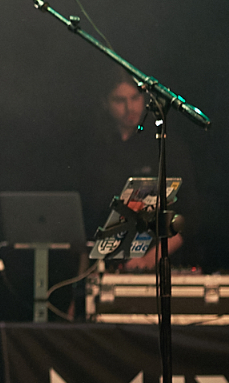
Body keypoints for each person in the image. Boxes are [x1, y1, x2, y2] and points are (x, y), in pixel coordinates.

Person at [75, 73, 196, 271]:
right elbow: (85, 221)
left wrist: (148, 260)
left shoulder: (165, 145)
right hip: (105, 265)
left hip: (159, 264)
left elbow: (189, 217)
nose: (129, 108)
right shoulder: (95, 149)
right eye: (119, 100)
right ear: (105, 103)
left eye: (135, 98)